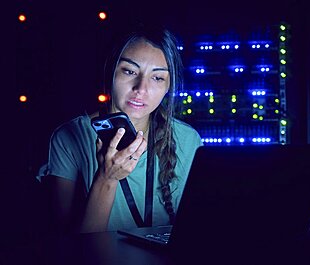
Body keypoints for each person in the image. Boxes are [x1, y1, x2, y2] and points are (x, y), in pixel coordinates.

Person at [37, 24, 203, 234]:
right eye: (129, 71)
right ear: (111, 72)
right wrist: (107, 178)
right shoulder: (68, 137)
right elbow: (69, 245)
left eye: (157, 77)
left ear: (168, 86)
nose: (141, 88)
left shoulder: (188, 140)